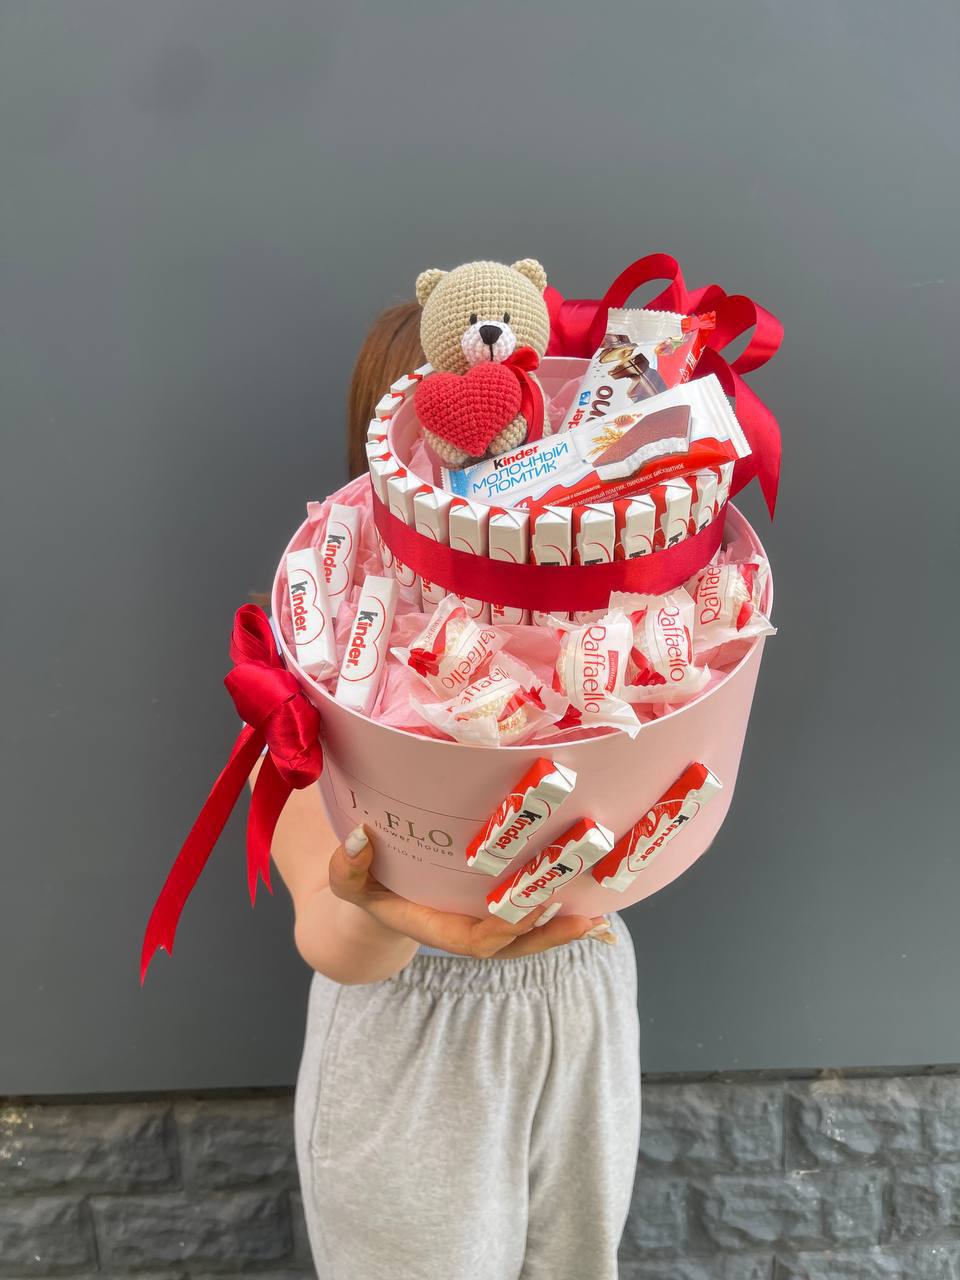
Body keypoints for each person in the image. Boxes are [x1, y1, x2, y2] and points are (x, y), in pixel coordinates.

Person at [251, 299, 641, 1280]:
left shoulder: (588, 619)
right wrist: (384, 905)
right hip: (412, 1038)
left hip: (581, 1005)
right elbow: (328, 932)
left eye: (526, 445)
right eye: (461, 457)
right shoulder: (322, 665)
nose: (498, 481)